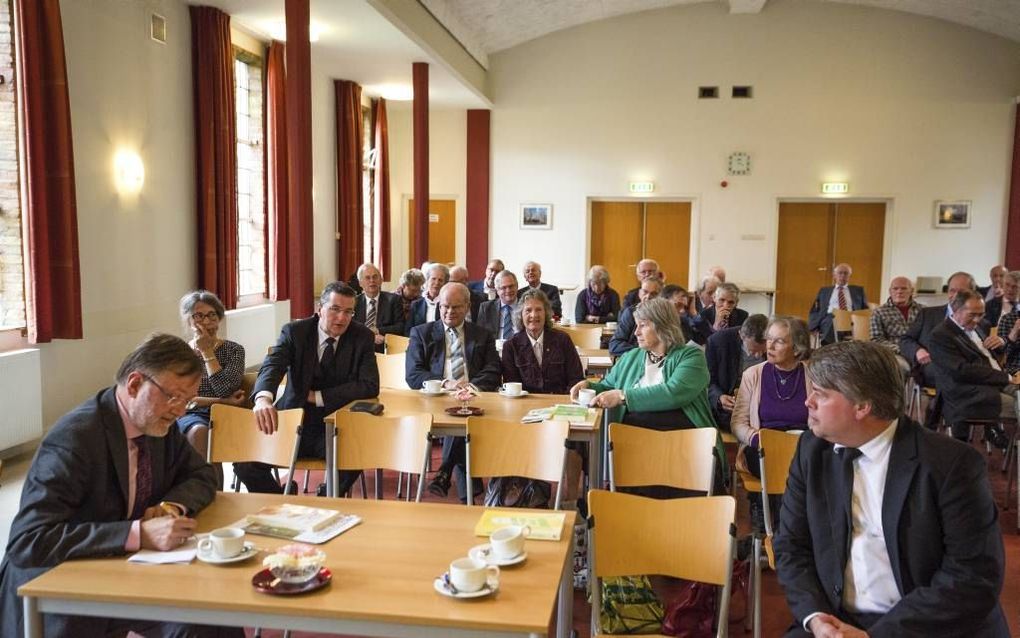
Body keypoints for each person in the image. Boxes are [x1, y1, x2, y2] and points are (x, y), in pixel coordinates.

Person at [0, 334, 233, 638]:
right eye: (173, 397)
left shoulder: (157, 425)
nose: (180, 411)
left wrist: (168, 507)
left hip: (121, 568)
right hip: (57, 587)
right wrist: (136, 534)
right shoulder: (76, 439)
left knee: (209, 618)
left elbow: (203, 475)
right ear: (135, 384)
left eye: (187, 401)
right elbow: (28, 541)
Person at [775, 340, 1008, 638]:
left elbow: (973, 577)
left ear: (862, 406)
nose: (808, 401)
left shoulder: (952, 465)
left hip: (927, 626)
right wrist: (817, 618)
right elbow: (791, 545)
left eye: (820, 394)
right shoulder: (813, 450)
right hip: (835, 621)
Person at [240, 282, 380, 496]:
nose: (342, 318)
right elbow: (273, 365)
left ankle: (325, 500)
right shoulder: (295, 332)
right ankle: (280, 503)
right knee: (244, 462)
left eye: (348, 312)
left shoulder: (362, 336)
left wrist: (319, 396)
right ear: (320, 309)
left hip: (334, 426)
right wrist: (263, 399)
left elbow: (370, 385)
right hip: (290, 421)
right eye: (335, 309)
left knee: (355, 454)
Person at [571, 297, 724, 489]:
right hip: (635, 443)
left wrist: (623, 396)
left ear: (662, 326)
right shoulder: (632, 357)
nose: (636, 332)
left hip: (682, 442)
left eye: (642, 326)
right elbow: (608, 386)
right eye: (636, 326)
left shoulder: (691, 357)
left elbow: (673, 393)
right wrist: (589, 386)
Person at [406, 282, 501, 501]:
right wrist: (445, 383)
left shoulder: (482, 334)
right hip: (436, 399)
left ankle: (445, 471)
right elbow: (413, 374)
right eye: (445, 306)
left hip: (474, 398)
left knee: (463, 412)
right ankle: (468, 486)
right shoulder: (421, 333)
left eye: (456, 307)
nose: (449, 312)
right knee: (459, 415)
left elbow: (493, 369)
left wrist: (471, 388)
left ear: (468, 307)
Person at [731, 316, 811, 529]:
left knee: (805, 463)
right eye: (769, 339)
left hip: (802, 446)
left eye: (779, 341)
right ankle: (776, 526)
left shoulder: (813, 374)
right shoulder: (753, 374)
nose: (770, 346)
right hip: (763, 447)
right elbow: (738, 422)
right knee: (779, 464)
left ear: (797, 348)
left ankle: (780, 528)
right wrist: (756, 438)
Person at [175, 291, 246, 478]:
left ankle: (213, 494)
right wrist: (224, 401)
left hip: (227, 414)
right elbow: (182, 398)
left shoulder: (234, 350)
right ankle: (201, 490)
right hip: (188, 412)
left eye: (212, 315)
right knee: (199, 431)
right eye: (198, 316)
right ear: (189, 321)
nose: (206, 322)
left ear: (219, 318)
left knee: (209, 434)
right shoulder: (179, 353)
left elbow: (225, 389)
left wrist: (207, 352)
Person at [927, 289, 1015, 442]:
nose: (977, 320)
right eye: (972, 315)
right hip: (968, 394)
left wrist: (1001, 343)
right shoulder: (940, 335)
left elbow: (986, 356)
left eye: (980, 314)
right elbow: (961, 371)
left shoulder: (979, 327)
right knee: (1017, 405)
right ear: (956, 311)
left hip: (995, 381)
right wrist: (1006, 377)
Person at [900, 270, 975, 387]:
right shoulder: (927, 314)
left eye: (960, 292)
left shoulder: (980, 322)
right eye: (952, 291)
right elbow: (905, 340)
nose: (955, 296)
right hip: (933, 365)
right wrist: (918, 351)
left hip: (968, 368)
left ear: (972, 293)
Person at [502, 288, 585, 394]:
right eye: (528, 310)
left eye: (538, 309)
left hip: (559, 403)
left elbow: (576, 378)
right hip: (526, 404)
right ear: (520, 315)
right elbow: (512, 387)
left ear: (546, 314)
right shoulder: (510, 346)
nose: (534, 315)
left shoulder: (563, 340)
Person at [705, 313, 768, 429]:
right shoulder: (717, 342)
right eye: (752, 350)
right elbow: (708, 381)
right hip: (730, 407)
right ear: (740, 335)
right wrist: (719, 398)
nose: (758, 355)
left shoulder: (776, 345)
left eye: (763, 350)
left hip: (762, 404)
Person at [869, 276, 922, 374]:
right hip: (895, 353)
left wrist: (919, 350)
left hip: (921, 353)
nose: (899, 291)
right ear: (890, 291)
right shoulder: (879, 312)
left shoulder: (923, 310)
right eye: (895, 288)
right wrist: (903, 349)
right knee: (900, 367)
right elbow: (876, 340)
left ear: (911, 291)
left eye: (904, 288)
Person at [808, 263, 868, 345]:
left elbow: (865, 309)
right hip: (829, 318)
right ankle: (834, 346)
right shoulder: (824, 291)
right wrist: (813, 326)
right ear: (834, 275)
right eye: (840, 273)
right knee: (833, 318)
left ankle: (828, 347)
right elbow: (815, 309)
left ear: (849, 276)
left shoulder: (858, 291)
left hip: (851, 319)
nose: (842, 276)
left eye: (846, 273)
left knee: (836, 322)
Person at [353, 263, 405, 352]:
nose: (372, 280)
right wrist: (370, 336)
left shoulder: (393, 300)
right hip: (359, 346)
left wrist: (377, 330)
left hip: (385, 345)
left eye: (375, 277)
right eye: (367, 278)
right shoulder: (354, 302)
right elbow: (351, 327)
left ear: (381, 280)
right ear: (360, 283)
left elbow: (400, 326)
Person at [608, 277, 662, 356]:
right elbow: (615, 345)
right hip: (635, 360)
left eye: (654, 294)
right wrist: (644, 353)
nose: (648, 296)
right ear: (639, 293)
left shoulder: (666, 315)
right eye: (645, 292)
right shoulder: (630, 313)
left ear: (661, 296)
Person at [476, 269, 522, 340]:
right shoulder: (486, 308)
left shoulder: (525, 306)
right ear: (497, 290)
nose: (508, 290)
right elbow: (479, 335)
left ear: (517, 286)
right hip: (494, 349)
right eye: (504, 288)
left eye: (511, 286)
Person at [407, 263, 450, 329]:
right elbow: (409, 330)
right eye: (433, 279)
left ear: (445, 283)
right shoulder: (416, 305)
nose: (436, 283)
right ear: (427, 280)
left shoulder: (449, 304)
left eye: (440, 280)